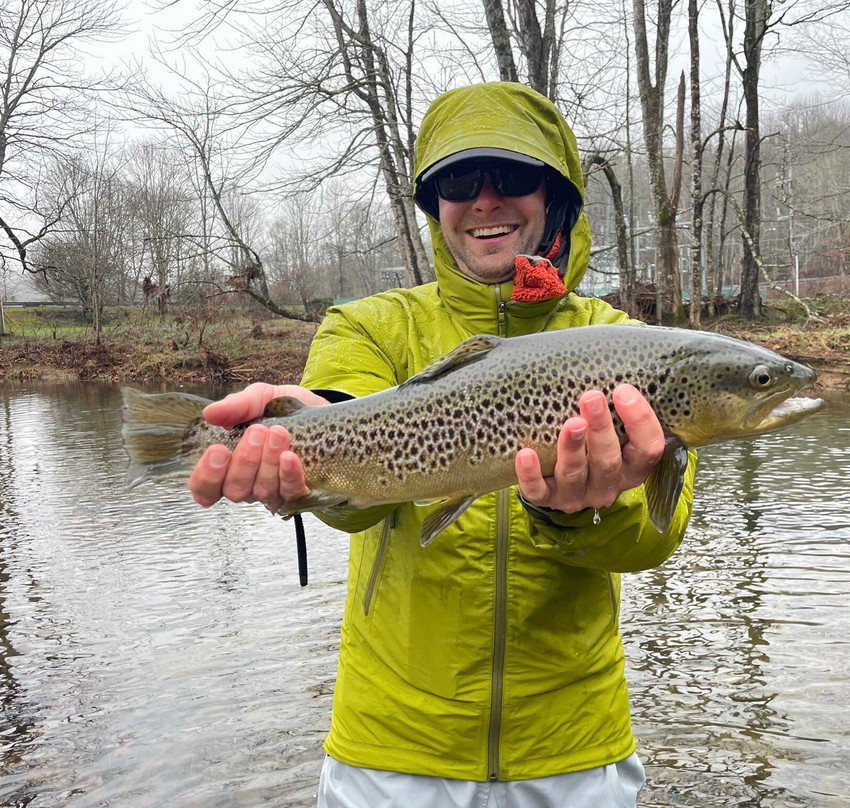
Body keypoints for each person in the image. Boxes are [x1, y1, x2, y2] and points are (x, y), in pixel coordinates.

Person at [187, 81, 696, 808]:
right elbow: (346, 436)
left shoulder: (630, 347)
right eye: (459, 181)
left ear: (555, 195)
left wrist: (579, 510)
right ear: (434, 206)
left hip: (572, 752)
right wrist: (302, 432)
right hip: (390, 752)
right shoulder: (367, 326)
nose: (486, 201)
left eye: (514, 177)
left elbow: (654, 540)